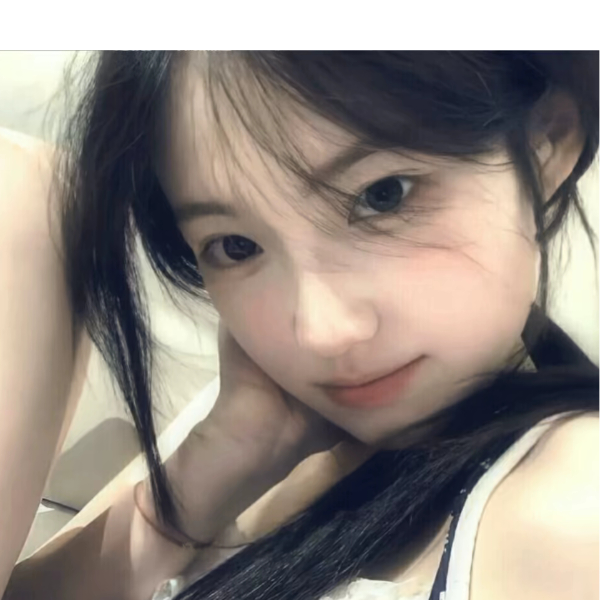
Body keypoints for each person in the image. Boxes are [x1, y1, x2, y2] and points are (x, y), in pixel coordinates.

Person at [6, 50, 600, 600]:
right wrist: (214, 468)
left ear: (546, 141)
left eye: (384, 195)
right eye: (236, 246)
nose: (321, 332)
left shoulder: (573, 505)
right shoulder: (252, 412)